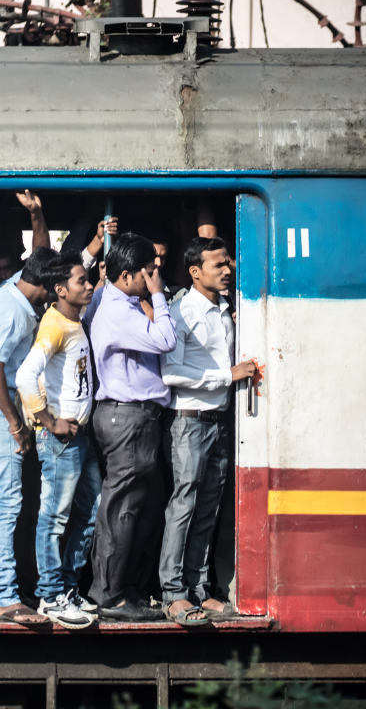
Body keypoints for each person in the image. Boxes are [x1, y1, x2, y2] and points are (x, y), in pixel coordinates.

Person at [157, 237, 258, 626]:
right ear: (195, 272)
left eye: (228, 262)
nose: (228, 269)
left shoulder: (223, 310)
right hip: (189, 423)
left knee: (207, 508)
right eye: (219, 265)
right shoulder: (182, 313)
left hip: (217, 423)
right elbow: (170, 373)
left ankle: (198, 590)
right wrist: (226, 376)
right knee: (183, 507)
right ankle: (173, 594)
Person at [86, 234, 177, 622]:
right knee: (121, 511)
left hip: (127, 416)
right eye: (148, 273)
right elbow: (167, 339)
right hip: (129, 417)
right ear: (126, 275)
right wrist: (158, 297)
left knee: (136, 508)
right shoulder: (119, 312)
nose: (154, 277)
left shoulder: (111, 301)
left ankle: (124, 589)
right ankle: (110, 596)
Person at [15, 252, 101, 629]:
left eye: (88, 279)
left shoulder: (72, 319)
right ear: (60, 289)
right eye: (81, 281)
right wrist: (48, 420)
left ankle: (66, 587)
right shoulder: (55, 326)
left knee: (90, 510)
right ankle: (50, 596)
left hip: (79, 437)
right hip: (61, 440)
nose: (89, 285)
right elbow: (24, 376)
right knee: (54, 519)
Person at [0, 247, 58, 625]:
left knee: (2, 506)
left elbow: (39, 252)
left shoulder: (12, 290)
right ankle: (4, 597)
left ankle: (4, 589)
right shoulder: (14, 313)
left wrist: (37, 216)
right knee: (8, 508)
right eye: (54, 288)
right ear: (43, 283)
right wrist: (14, 423)